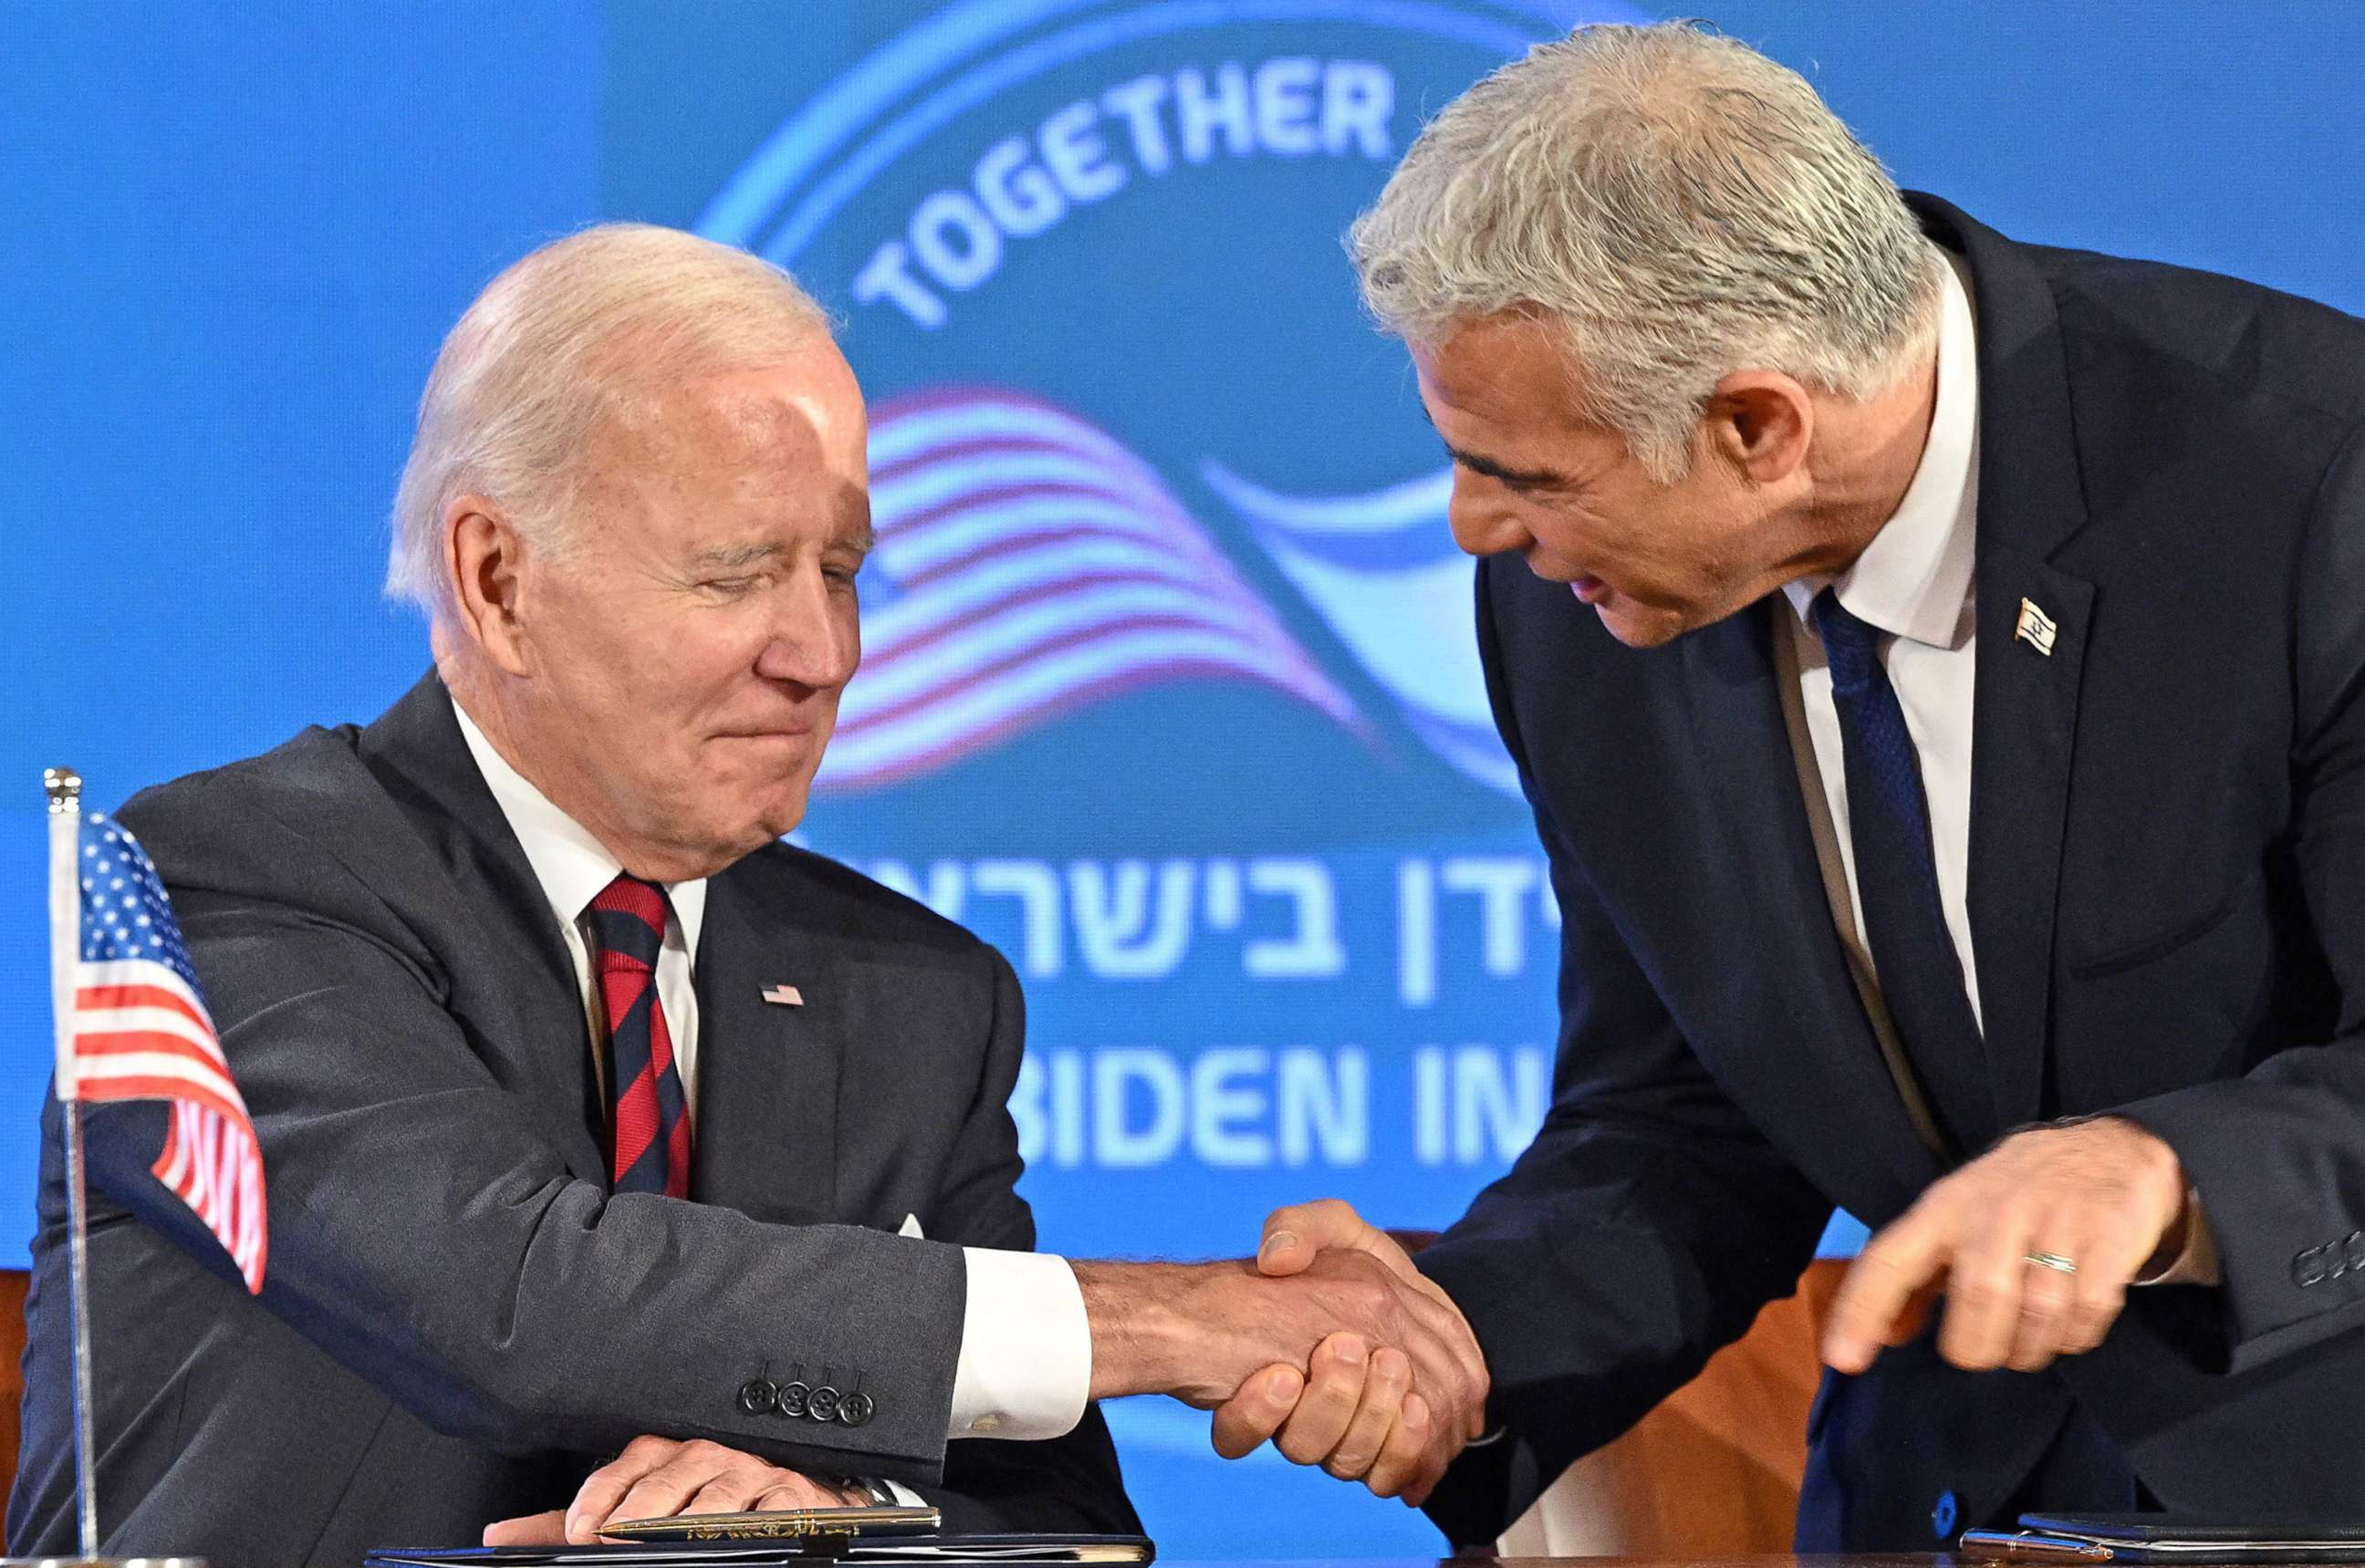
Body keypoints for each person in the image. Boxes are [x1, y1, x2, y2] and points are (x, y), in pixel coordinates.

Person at [10, 224, 1483, 1567]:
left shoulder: (915, 995)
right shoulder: (231, 883)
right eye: (737, 574)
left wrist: (830, 1505)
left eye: (839, 569)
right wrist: (1177, 1319)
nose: (822, 652)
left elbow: (1057, 1509)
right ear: (498, 577)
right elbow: (511, 1292)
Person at [1206, 18, 2365, 1552]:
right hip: (1931, 1499)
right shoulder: (1581, 604)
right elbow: (1684, 1115)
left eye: (1533, 476)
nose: (1477, 528)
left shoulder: (2311, 484)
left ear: (1758, 424)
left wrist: (2164, 1170)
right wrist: (1456, 1334)